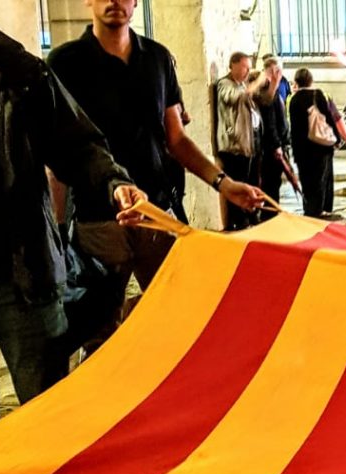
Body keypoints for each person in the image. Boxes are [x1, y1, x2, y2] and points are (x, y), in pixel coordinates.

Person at [0, 0, 149, 441]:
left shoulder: (19, 72)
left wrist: (115, 183)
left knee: (53, 429)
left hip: (22, 284)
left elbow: (76, 146)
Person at [47, 0, 265, 354]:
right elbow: (58, 156)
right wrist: (57, 231)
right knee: (100, 336)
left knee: (181, 323)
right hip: (97, 222)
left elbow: (175, 139)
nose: (114, 2)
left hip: (157, 216)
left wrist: (224, 184)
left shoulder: (158, 59)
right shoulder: (64, 63)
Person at [289, 68, 346, 219]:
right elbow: (330, 119)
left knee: (307, 182)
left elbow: (294, 128)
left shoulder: (293, 100)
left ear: (296, 82)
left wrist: (294, 151)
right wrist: (338, 139)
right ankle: (321, 211)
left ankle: (309, 211)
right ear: (311, 80)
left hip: (302, 150)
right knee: (321, 180)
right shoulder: (318, 95)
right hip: (321, 148)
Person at [216, 51, 268, 230]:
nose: (247, 71)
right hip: (234, 145)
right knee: (237, 182)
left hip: (249, 144)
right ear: (234, 65)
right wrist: (256, 84)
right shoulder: (225, 84)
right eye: (245, 67)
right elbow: (235, 98)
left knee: (251, 181)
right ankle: (238, 220)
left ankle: (251, 216)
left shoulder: (242, 85)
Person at [254, 56, 291, 222]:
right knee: (270, 184)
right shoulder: (265, 89)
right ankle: (269, 217)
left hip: (278, 143)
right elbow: (269, 120)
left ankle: (272, 214)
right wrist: (276, 144)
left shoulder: (277, 87)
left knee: (274, 184)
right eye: (277, 71)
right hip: (269, 147)